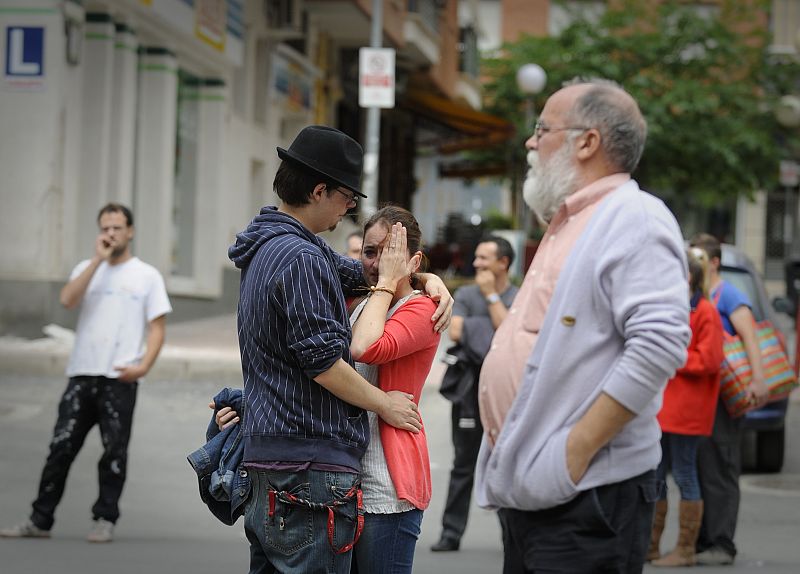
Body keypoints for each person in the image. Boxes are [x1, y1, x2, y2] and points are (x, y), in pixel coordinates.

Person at [473, 80, 691, 573]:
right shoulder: (573, 220)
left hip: (586, 494)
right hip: (546, 494)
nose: (531, 142)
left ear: (587, 142)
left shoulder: (635, 217)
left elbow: (658, 345)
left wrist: (572, 455)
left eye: (542, 129)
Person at [226, 125, 452, 574]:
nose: (351, 206)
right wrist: (383, 403)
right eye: (348, 196)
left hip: (274, 463)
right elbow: (325, 363)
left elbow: (356, 273)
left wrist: (422, 277)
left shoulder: (272, 246)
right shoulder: (302, 258)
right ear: (318, 190)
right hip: (305, 465)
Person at [0, 203, 171, 544]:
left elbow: (157, 328)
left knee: (113, 452)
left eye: (117, 228)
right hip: (82, 374)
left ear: (130, 231)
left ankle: (105, 518)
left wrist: (143, 367)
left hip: (119, 378)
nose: (110, 234)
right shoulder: (86, 268)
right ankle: (40, 519)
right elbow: (67, 300)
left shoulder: (146, 275)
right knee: (60, 447)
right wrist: (96, 261)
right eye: (105, 228)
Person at [347, 206, 440, 574]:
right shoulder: (364, 300)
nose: (377, 262)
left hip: (387, 488)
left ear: (412, 259)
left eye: (390, 253)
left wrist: (393, 282)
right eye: (370, 252)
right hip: (345, 481)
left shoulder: (421, 310)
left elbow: (364, 348)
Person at [431, 236, 519, 552]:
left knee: (506, 463)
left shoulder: (518, 296)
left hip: (506, 394)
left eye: (484, 258)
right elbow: (454, 331)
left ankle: (513, 536)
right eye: (477, 257)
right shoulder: (465, 294)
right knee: (463, 463)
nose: (477, 263)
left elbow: (512, 336)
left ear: (503, 263)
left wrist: (491, 297)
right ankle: (451, 533)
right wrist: (495, 326)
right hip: (468, 392)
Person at [689, 232, 769, 566]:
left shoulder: (728, 295)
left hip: (726, 396)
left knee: (721, 466)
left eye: (698, 259)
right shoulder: (696, 296)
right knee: (701, 467)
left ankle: (722, 542)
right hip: (702, 396)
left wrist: (758, 379)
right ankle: (703, 538)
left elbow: (750, 336)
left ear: (714, 262)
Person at [649, 247, 724, 567]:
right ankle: (650, 545)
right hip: (665, 409)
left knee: (684, 474)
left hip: (688, 411)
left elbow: (709, 360)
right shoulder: (673, 306)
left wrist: (670, 356)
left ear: (689, 276)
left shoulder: (706, 311)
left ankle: (685, 549)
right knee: (655, 476)